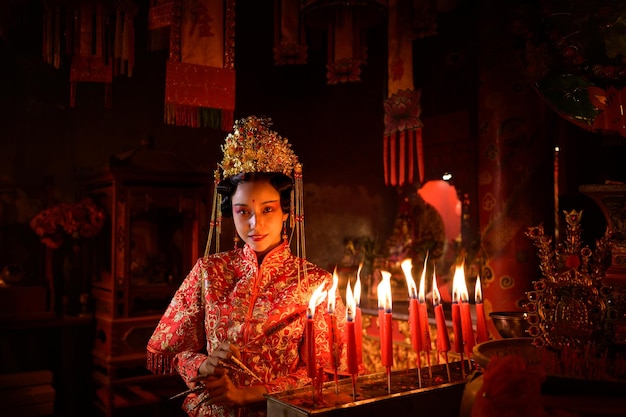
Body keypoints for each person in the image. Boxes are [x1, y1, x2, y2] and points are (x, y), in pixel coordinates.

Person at [147, 116, 346, 417]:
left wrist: (248, 395)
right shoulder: (208, 271)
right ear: (232, 213)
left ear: (285, 213)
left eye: (268, 209)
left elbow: (325, 374)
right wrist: (204, 364)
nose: (255, 224)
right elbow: (174, 351)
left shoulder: (316, 283)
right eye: (243, 212)